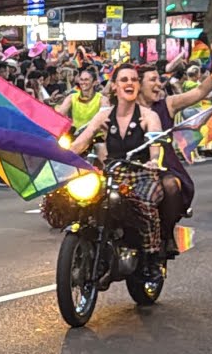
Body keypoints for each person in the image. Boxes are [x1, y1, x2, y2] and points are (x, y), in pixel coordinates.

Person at [70, 65, 164, 276]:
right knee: (86, 201)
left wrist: (154, 160)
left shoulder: (149, 116)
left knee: (145, 203)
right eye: (123, 80)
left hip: (142, 175)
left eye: (133, 79)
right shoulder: (104, 116)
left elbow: (155, 145)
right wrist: (62, 154)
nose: (129, 83)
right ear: (114, 86)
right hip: (113, 175)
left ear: (138, 86)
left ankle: (152, 260)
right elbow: (81, 142)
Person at [138, 41, 212, 254]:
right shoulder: (124, 108)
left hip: (162, 165)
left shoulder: (167, 104)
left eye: (159, 80)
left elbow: (199, 93)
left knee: (171, 186)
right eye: (152, 80)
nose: (159, 84)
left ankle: (167, 234)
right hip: (131, 166)